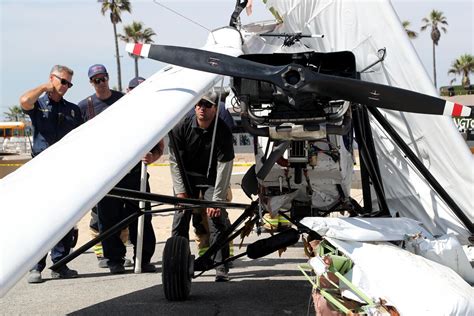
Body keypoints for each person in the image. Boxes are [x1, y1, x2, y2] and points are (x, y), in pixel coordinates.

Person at [78, 69, 163, 274]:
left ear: (109, 79)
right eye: (96, 80)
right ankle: (114, 260)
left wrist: (153, 156)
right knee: (108, 219)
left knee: (142, 215)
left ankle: (142, 259)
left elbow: (158, 140)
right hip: (107, 175)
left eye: (103, 79)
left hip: (135, 173)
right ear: (91, 82)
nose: (100, 83)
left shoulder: (131, 104)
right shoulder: (85, 106)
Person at [19, 65, 82, 283]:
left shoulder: (73, 110)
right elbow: (24, 100)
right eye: (62, 81)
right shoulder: (38, 105)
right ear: (51, 79)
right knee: (40, 218)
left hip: (65, 169)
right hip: (41, 168)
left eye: (69, 84)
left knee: (64, 217)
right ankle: (35, 266)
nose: (65, 87)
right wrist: (45, 87)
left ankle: (60, 263)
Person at [169, 90, 234, 282]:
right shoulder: (181, 127)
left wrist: (217, 200)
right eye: (198, 105)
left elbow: (225, 167)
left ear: (215, 108)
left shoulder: (222, 131)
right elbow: (174, 161)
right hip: (187, 177)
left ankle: (220, 267)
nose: (201, 109)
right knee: (181, 216)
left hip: (212, 179)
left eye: (206, 105)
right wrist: (180, 192)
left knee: (216, 217)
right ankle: (176, 264)